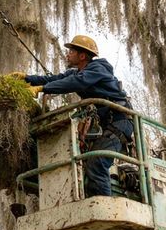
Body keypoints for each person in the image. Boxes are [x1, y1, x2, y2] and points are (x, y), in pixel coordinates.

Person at [11, 35, 133, 197]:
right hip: (107, 124)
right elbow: (56, 78)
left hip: (120, 122)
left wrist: (42, 89)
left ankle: (105, 205)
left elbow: (77, 82)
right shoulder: (78, 72)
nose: (67, 54)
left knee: (97, 162)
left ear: (82, 56)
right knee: (84, 162)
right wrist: (27, 79)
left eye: (71, 51)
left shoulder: (98, 69)